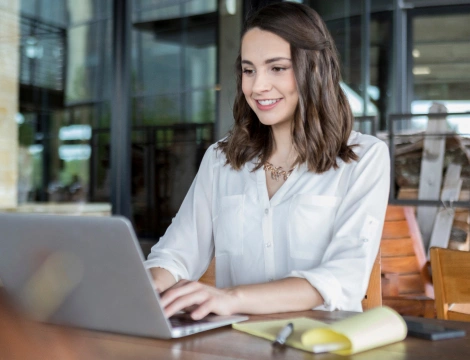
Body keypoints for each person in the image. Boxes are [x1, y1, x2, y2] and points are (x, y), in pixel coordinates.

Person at [145, 2, 390, 320]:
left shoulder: (364, 158)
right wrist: (146, 286)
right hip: (236, 345)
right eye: (249, 70)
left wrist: (231, 298)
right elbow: (177, 253)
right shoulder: (221, 160)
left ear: (314, 69)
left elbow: (343, 277)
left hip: (322, 342)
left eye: (277, 68)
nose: (257, 86)